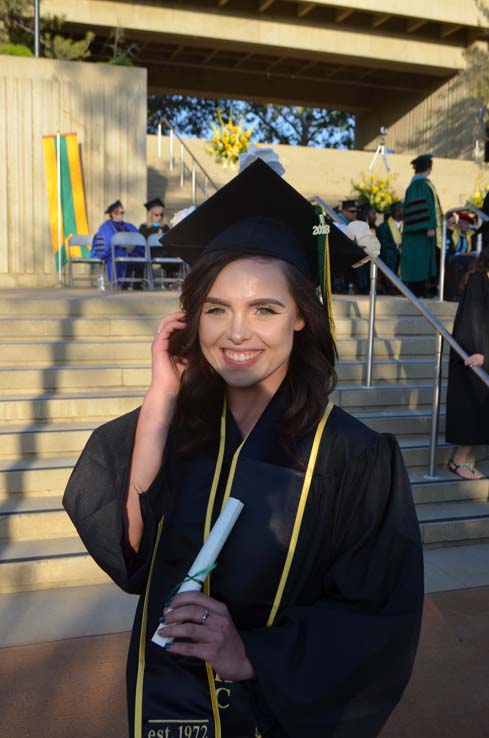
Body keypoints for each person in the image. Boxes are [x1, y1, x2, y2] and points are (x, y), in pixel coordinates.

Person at [63, 160, 423, 738]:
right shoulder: (179, 430)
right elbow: (135, 557)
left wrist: (251, 654)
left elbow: (378, 623)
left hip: (272, 718)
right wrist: (160, 401)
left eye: (265, 309)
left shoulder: (352, 457)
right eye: (216, 308)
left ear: (303, 316)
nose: (236, 332)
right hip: (165, 710)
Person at [445, 247, 489, 479]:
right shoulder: (478, 281)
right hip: (475, 355)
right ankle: (458, 461)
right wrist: (481, 354)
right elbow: (473, 322)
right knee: (474, 407)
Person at [400, 154, 442, 298]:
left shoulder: (418, 184)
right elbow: (423, 209)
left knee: (420, 262)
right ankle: (418, 291)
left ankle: (421, 290)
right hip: (419, 233)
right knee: (418, 263)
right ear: (428, 168)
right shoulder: (419, 186)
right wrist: (429, 226)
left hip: (418, 233)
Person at [93, 200, 144, 287]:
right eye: (118, 213)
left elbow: (139, 239)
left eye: (122, 212)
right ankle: (119, 283)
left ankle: (137, 283)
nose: (121, 215)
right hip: (115, 252)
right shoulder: (106, 227)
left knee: (141, 254)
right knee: (119, 254)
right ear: (112, 214)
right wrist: (123, 247)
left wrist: (133, 247)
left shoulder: (129, 226)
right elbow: (107, 244)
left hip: (131, 250)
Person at [444, 212, 477, 301]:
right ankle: (454, 294)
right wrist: (462, 254)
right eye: (466, 224)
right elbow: (449, 250)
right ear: (459, 224)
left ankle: (469, 295)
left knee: (475, 263)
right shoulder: (450, 232)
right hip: (451, 258)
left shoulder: (471, 234)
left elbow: (473, 251)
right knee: (456, 262)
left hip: (465, 259)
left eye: (469, 224)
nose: (468, 226)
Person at [377, 201, 403, 275]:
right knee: (389, 255)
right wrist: (398, 246)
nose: (404, 211)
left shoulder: (406, 226)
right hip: (390, 256)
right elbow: (383, 245)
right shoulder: (383, 227)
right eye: (402, 210)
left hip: (403, 255)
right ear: (396, 212)